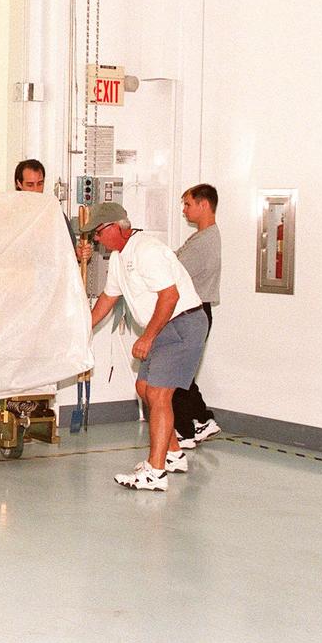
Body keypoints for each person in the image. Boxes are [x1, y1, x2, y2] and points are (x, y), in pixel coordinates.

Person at [83, 202, 208, 491]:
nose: (96, 240)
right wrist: (81, 329)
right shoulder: (118, 258)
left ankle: (155, 472)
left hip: (182, 324)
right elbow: (107, 298)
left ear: (117, 227)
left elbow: (170, 296)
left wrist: (148, 336)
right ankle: (173, 454)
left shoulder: (147, 250)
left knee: (158, 393)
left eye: (98, 233)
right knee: (144, 389)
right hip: (164, 327)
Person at [173, 184, 222, 447]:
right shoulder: (201, 237)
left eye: (188, 204)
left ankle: (185, 430)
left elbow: (174, 271)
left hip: (194, 311)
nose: (184, 210)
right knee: (184, 372)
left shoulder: (204, 241)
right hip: (191, 311)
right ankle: (201, 419)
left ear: (204, 205)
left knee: (177, 374)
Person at [14, 159, 92, 263]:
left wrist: (80, 253)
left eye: (40, 184)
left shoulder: (52, 210)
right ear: (18, 183)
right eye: (30, 185)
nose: (36, 190)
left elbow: (71, 250)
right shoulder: (10, 212)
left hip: (47, 275)